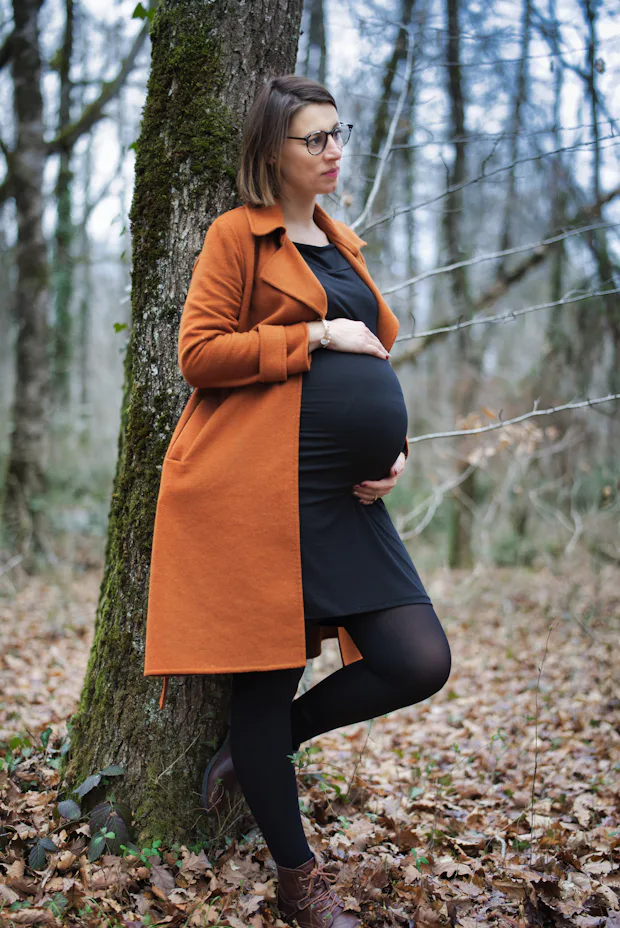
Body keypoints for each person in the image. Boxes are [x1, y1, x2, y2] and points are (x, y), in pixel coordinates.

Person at [192, 75, 453, 928]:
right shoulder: (239, 236)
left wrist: (397, 447)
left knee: (418, 660)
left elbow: (372, 363)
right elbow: (201, 353)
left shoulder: (343, 241)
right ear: (274, 151)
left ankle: (271, 747)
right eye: (316, 139)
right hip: (263, 493)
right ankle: (299, 883)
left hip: (349, 500)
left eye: (340, 134)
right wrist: (311, 335)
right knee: (263, 685)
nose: (336, 150)